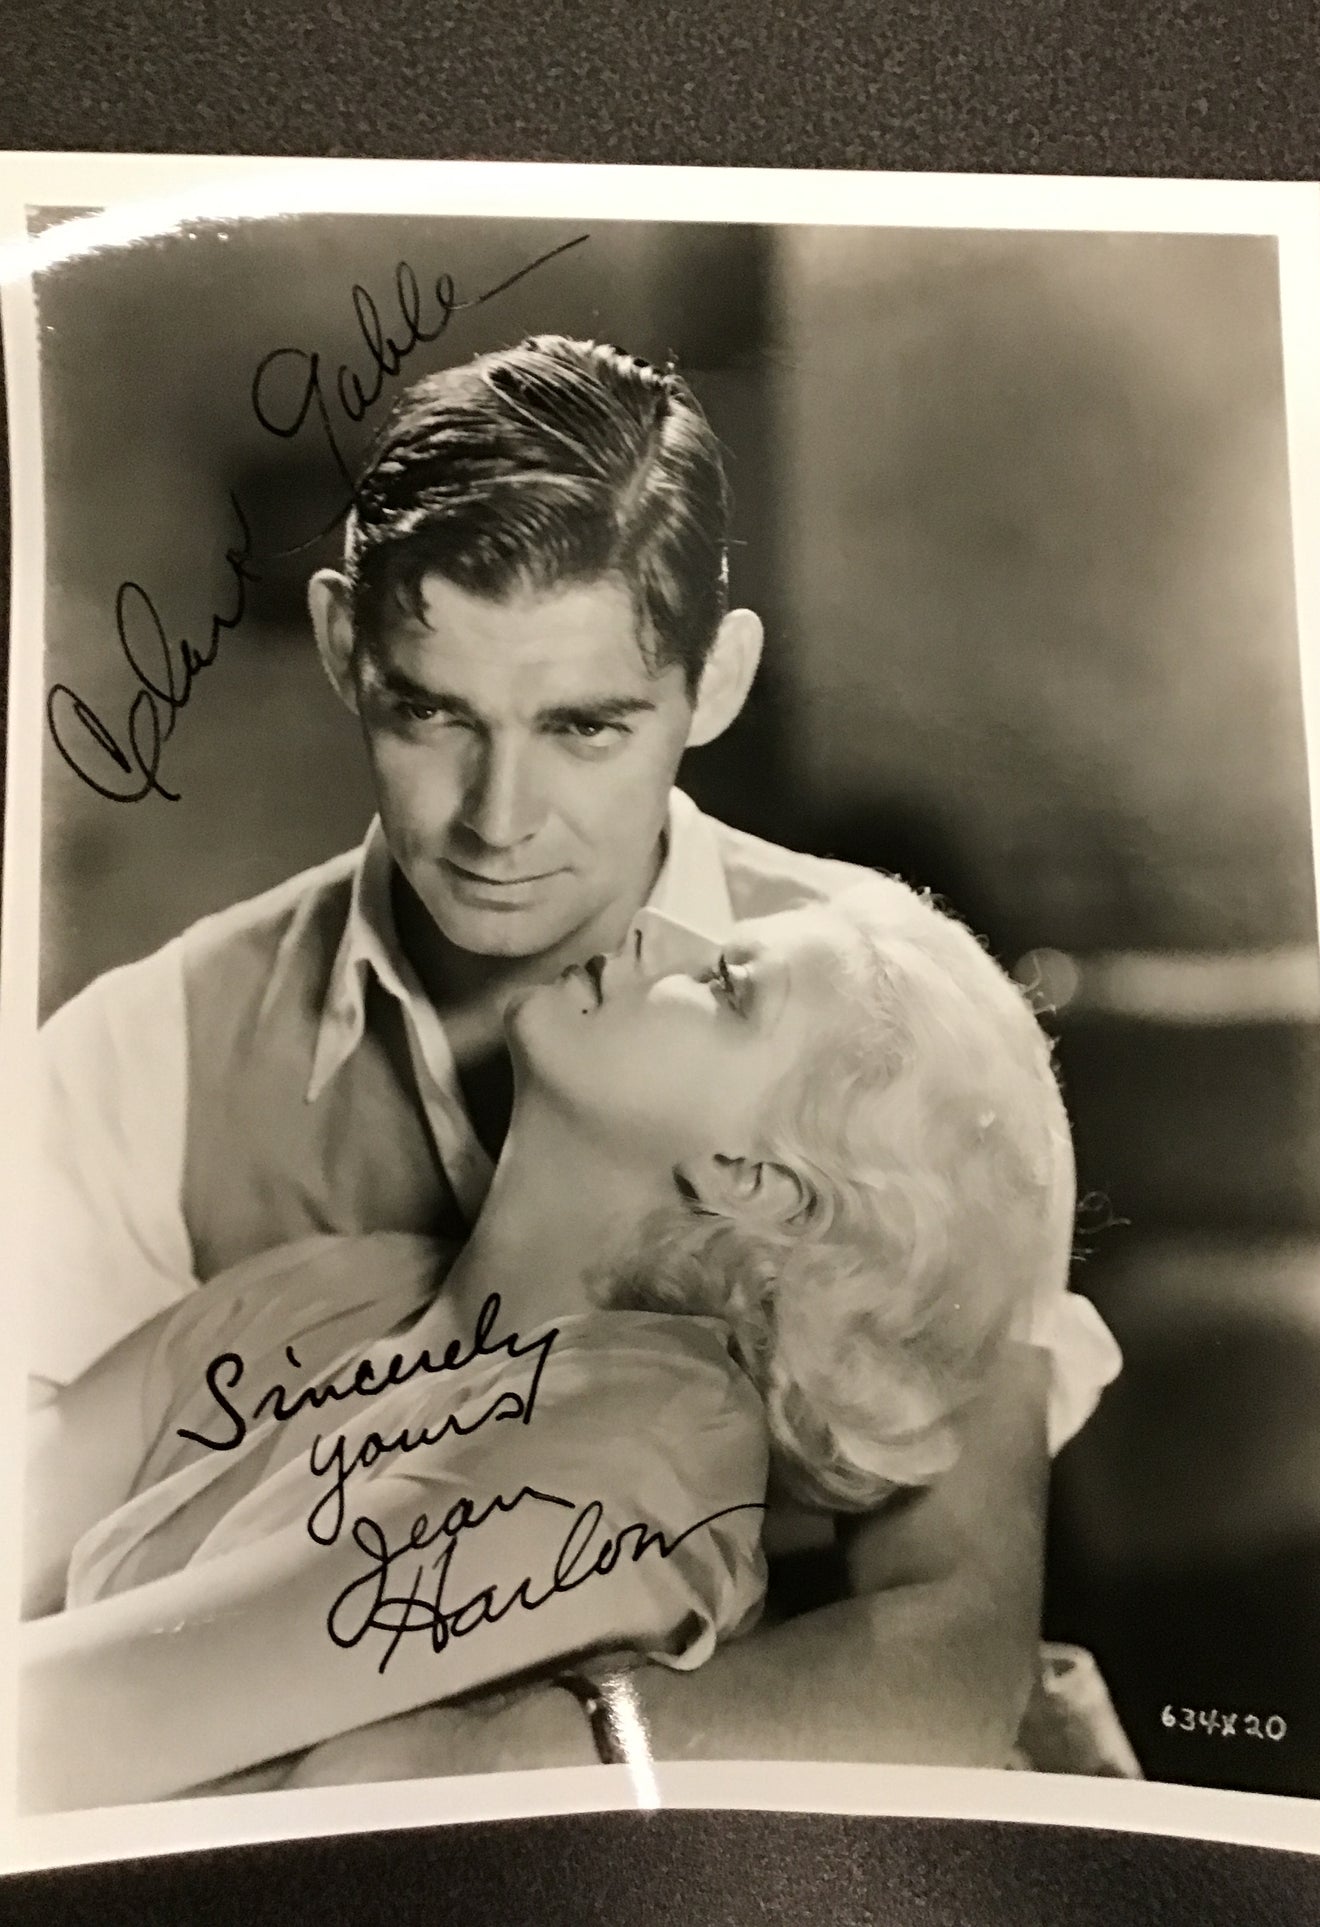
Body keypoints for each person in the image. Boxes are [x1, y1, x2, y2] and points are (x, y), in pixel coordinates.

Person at [35, 335, 1123, 1781]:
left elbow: (944, 1653)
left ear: (713, 683)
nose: (500, 816)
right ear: (348, 648)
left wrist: (468, 1766)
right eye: (434, 711)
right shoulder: (144, 1060)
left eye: (587, 726)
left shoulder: (908, 1034)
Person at [24, 882, 1117, 1809]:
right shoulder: (325, 1282)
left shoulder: (652, 1436)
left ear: (752, 1177)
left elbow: (93, 1722)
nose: (656, 930)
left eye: (729, 985)